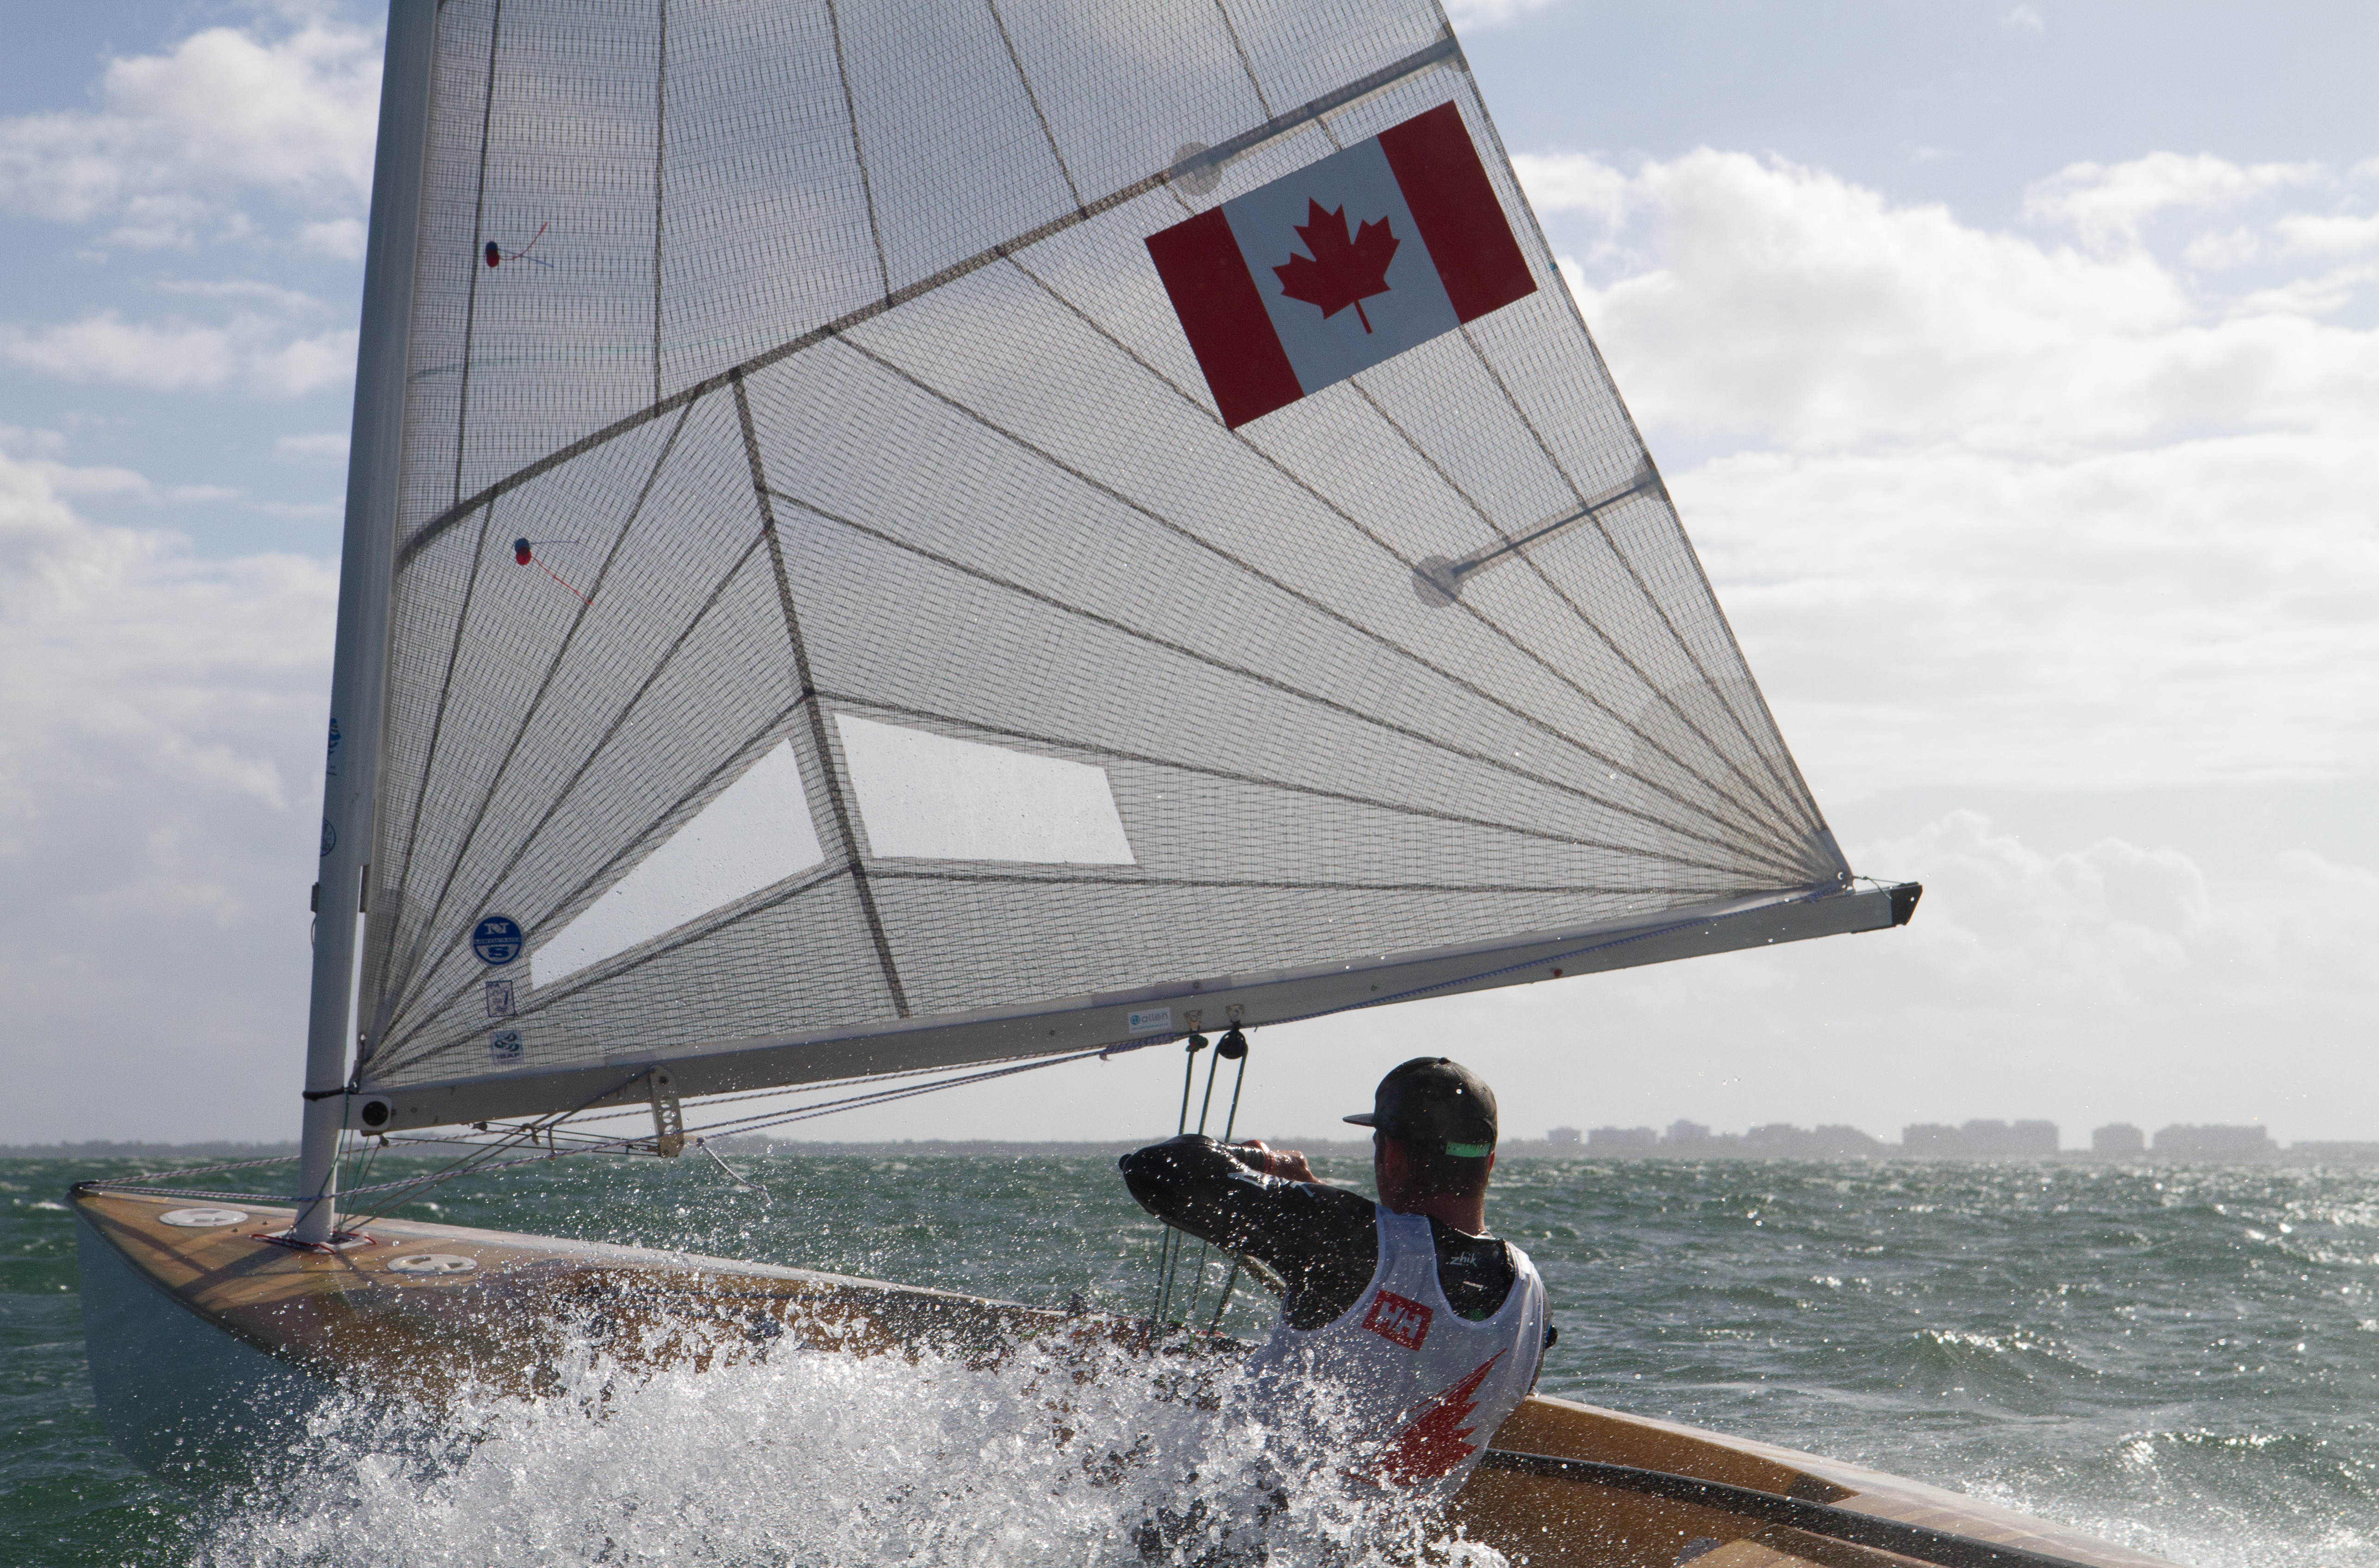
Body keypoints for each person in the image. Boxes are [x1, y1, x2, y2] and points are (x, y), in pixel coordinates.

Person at [1118, 1056, 1549, 1499]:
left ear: (1392, 1154)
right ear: (1490, 1161)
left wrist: (1258, 1160)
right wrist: (1312, 1193)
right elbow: (1417, 1286)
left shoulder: (1346, 1243)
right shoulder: (1531, 1296)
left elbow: (1155, 1168)